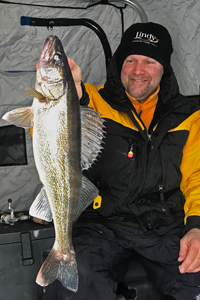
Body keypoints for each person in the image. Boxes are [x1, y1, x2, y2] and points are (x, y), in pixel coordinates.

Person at [37, 22, 200, 300]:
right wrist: (69, 94)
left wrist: (196, 227)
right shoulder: (92, 99)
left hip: (164, 225)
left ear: (164, 67)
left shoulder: (189, 115)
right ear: (118, 64)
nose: (138, 70)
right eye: (131, 60)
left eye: (149, 61)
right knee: (71, 287)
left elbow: (196, 176)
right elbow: (51, 135)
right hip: (101, 224)